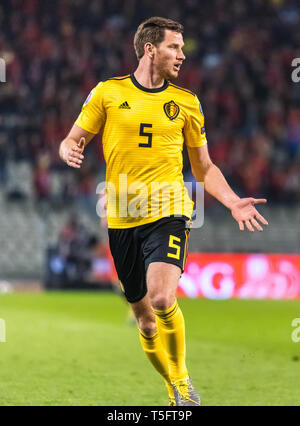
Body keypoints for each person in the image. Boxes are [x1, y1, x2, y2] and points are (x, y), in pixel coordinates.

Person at [59, 17, 268, 406]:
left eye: (182, 47)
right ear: (150, 49)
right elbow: (72, 138)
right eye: (175, 47)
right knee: (145, 321)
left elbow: (204, 168)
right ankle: (172, 385)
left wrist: (232, 200)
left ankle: (185, 384)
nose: (182, 55)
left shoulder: (186, 103)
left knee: (160, 298)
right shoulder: (107, 93)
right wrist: (69, 148)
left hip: (169, 211)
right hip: (122, 218)